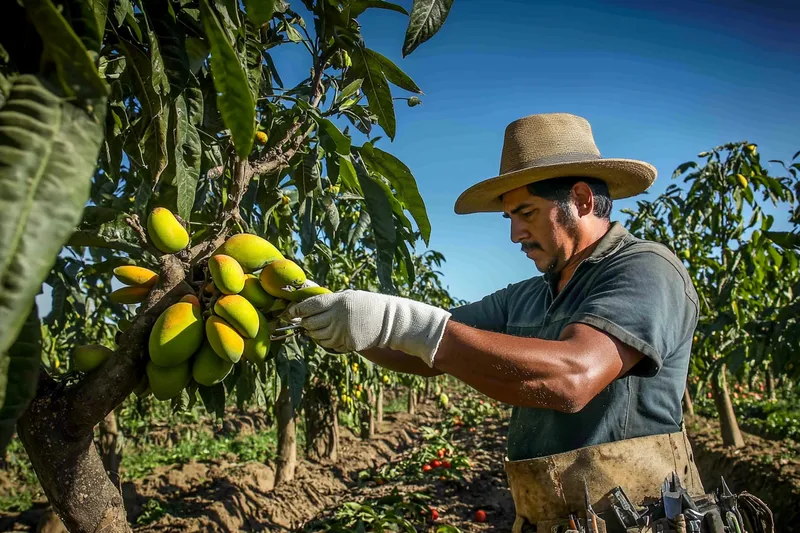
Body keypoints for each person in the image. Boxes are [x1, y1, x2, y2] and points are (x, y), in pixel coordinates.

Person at [287, 113, 705, 531]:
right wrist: (338, 321)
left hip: (641, 519)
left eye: (526, 213)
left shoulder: (645, 269)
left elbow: (575, 376)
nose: (515, 234)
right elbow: (427, 351)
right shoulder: (524, 297)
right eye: (509, 218)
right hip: (549, 519)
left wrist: (403, 324)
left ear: (580, 200)